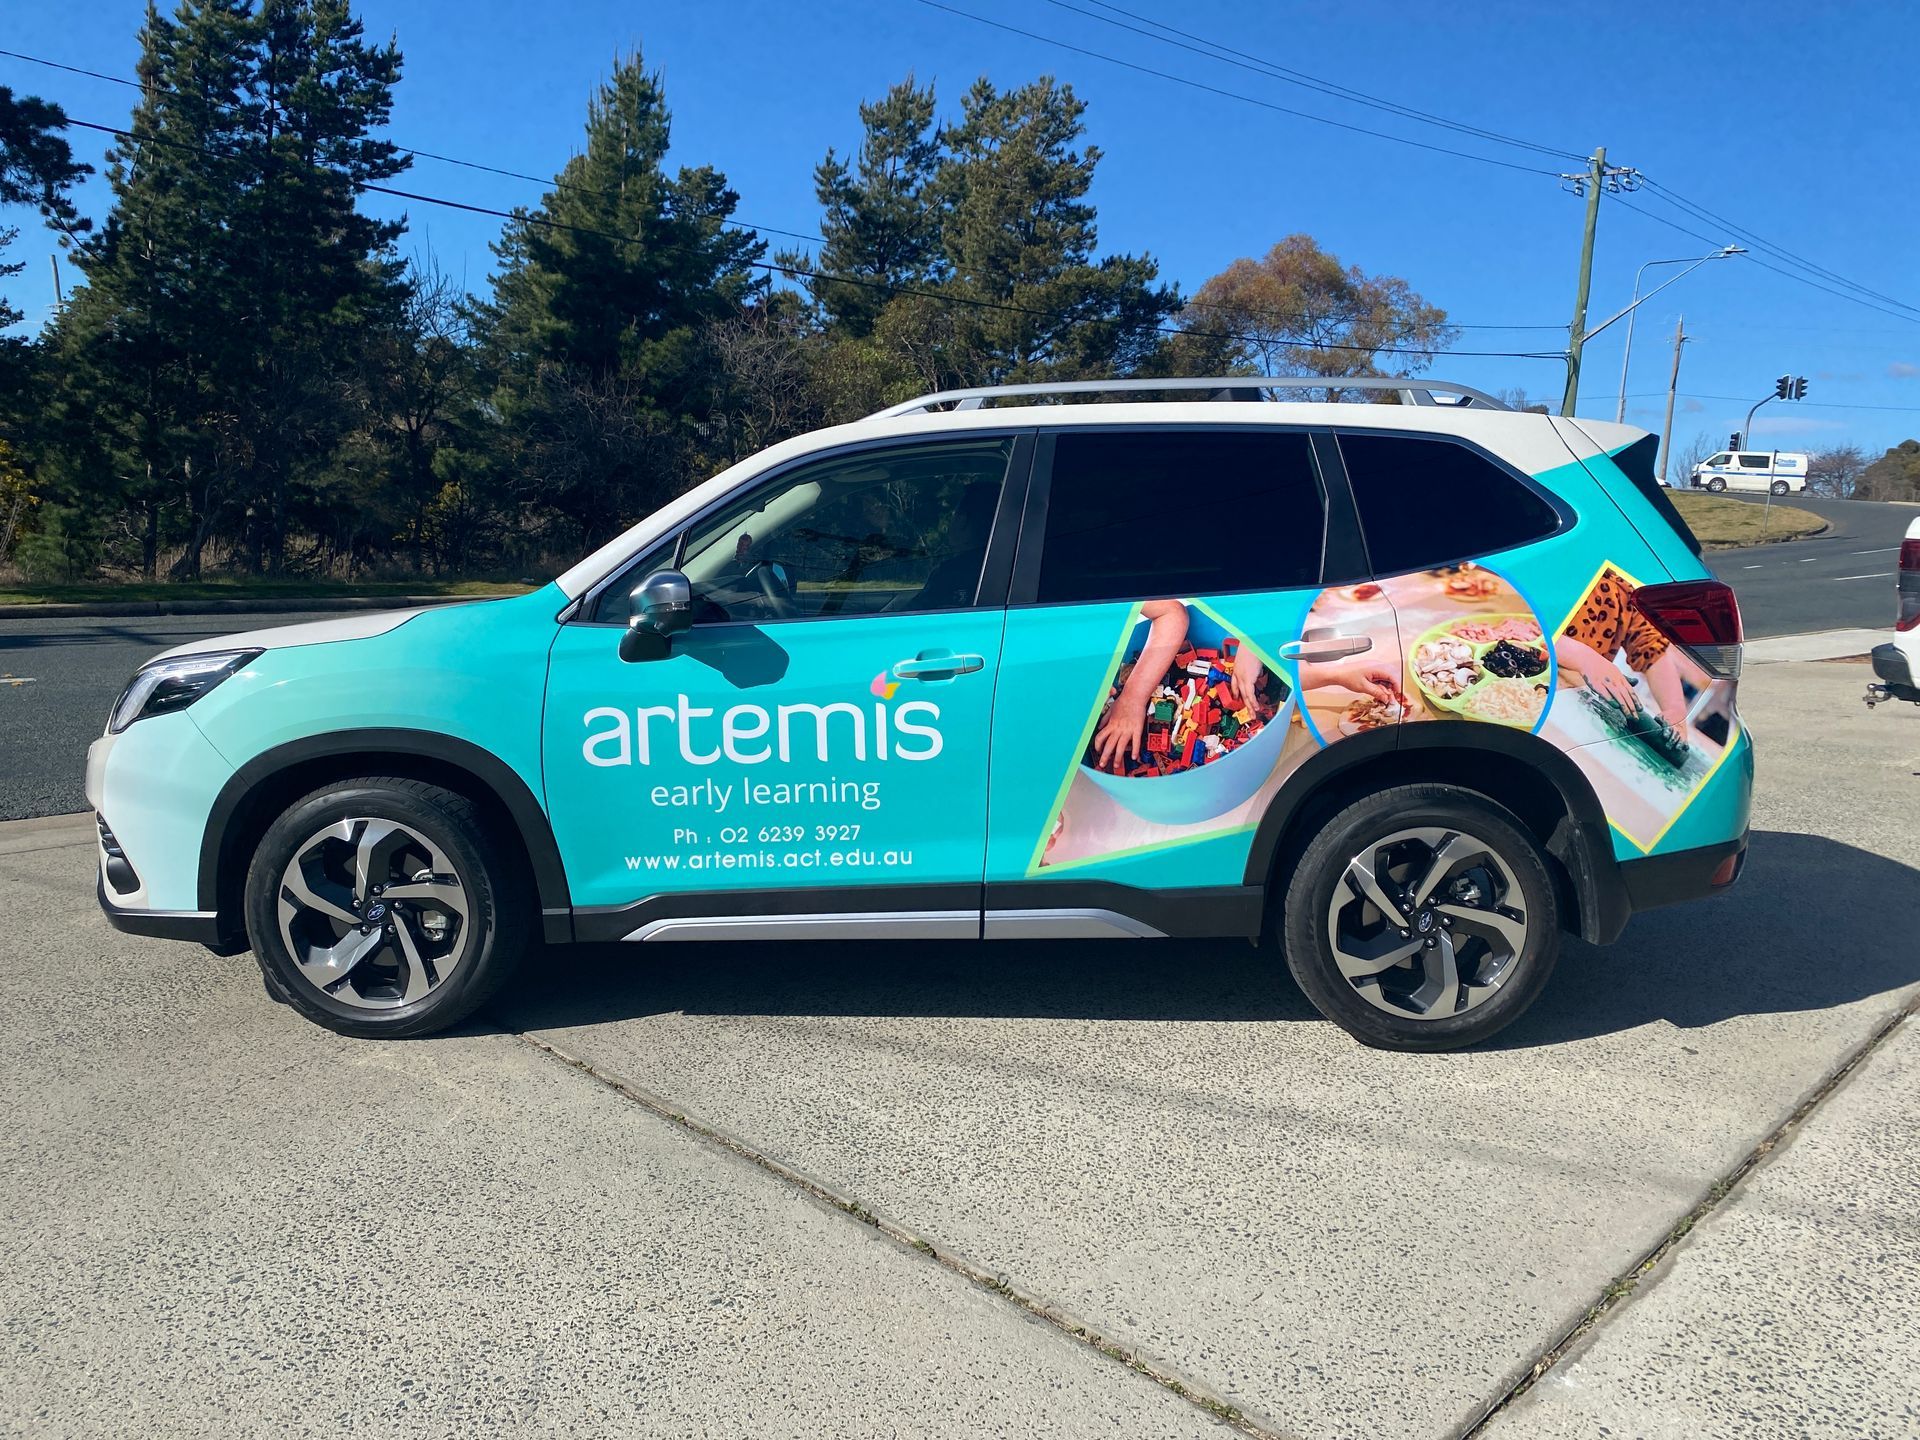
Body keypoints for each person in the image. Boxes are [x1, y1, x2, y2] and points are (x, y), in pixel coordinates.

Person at [1553, 566, 1691, 739]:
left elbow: (1652, 651)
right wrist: (1584, 658)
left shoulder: (1620, 590)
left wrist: (1675, 708)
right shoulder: (1554, 566)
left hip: (1574, 706)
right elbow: (1524, 625)